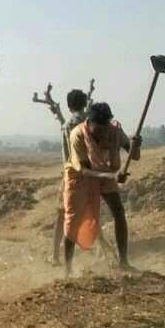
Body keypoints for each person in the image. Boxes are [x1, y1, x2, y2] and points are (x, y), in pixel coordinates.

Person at [61, 102, 141, 276]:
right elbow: (83, 170)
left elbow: (135, 156)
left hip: (105, 173)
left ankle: (124, 262)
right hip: (80, 178)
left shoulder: (115, 131)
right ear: (89, 123)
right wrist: (112, 176)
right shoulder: (77, 135)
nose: (103, 134)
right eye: (99, 130)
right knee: (72, 222)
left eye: (106, 129)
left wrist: (136, 145)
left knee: (119, 213)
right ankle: (68, 271)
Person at [50, 88, 92, 265]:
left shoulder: (67, 126)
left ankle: (56, 257)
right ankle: (104, 254)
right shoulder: (91, 123)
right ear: (84, 104)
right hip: (91, 174)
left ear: (69, 106)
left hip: (72, 175)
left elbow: (67, 155)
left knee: (62, 216)